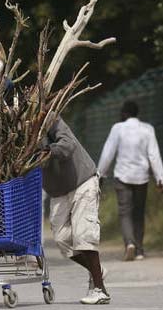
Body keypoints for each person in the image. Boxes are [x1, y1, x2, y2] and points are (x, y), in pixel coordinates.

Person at [42, 116, 110, 305]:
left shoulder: (50, 119)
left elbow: (68, 144)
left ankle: (100, 290)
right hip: (58, 191)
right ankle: (98, 270)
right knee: (62, 239)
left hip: (83, 181)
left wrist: (48, 151)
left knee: (83, 235)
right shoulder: (17, 133)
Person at [98, 101, 163, 261]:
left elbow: (108, 153)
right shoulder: (148, 129)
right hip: (142, 177)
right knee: (138, 213)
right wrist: (160, 178)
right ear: (137, 113)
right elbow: (154, 155)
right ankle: (140, 251)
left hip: (123, 176)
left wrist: (100, 174)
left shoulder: (118, 128)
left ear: (124, 114)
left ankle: (129, 244)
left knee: (125, 212)